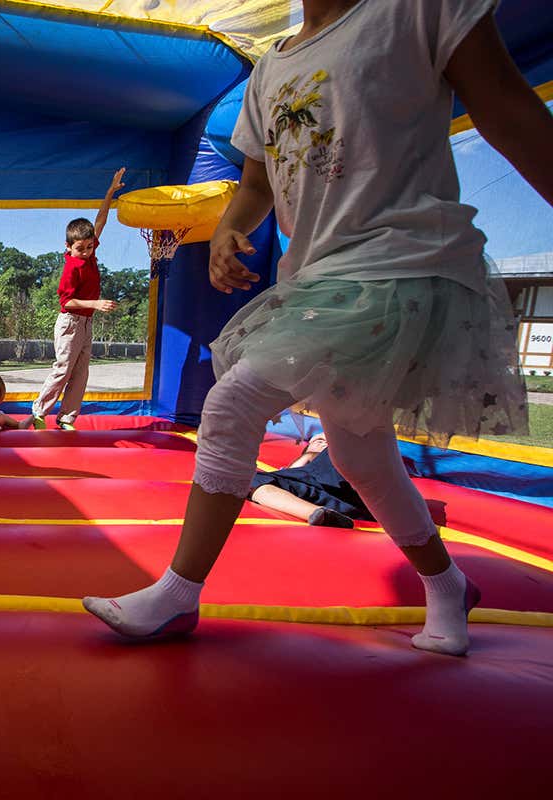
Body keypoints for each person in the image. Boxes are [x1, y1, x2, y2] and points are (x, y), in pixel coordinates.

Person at [83, 0, 551, 657]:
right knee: (360, 456)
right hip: (319, 280)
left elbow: (507, 106)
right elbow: (255, 182)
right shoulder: (271, 69)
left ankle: (177, 594)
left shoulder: (415, 10)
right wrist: (229, 229)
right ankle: (448, 585)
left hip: (403, 263)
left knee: (232, 402)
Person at [30, 168, 125, 431]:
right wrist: (95, 303)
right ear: (68, 247)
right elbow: (66, 302)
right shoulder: (72, 266)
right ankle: (39, 412)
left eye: (89, 247)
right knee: (63, 368)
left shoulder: (90, 255)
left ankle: (67, 418)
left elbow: (101, 221)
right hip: (70, 322)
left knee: (81, 372)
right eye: (79, 248)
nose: (85, 252)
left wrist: (110, 192)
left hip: (85, 324)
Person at [249, 434, 371, 528]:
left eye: (327, 441)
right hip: (337, 500)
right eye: (319, 441)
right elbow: (292, 472)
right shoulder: (305, 465)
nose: (324, 443)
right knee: (249, 481)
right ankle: (322, 515)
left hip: (338, 489)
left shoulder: (329, 454)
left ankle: (318, 513)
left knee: (252, 481)